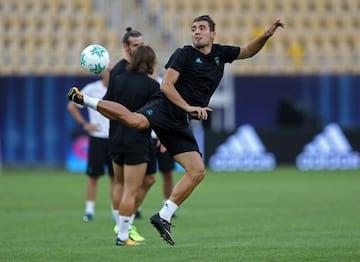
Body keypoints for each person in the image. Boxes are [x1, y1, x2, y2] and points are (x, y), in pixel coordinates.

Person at [67, 15, 285, 245]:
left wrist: (266, 35)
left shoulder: (221, 54)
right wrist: (189, 107)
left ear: (213, 34)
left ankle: (163, 216)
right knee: (135, 122)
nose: (197, 32)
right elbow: (166, 86)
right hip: (165, 107)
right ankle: (85, 99)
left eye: (202, 28)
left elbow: (248, 51)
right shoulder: (183, 54)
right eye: (193, 29)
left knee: (197, 171)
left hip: (180, 120)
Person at [105, 27, 158, 243]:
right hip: (137, 141)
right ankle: (123, 234)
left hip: (116, 138)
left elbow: (105, 105)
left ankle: (121, 228)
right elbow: (158, 116)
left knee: (119, 185)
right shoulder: (152, 86)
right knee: (131, 190)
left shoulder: (117, 79)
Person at [67, 66, 114, 222]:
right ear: (103, 73)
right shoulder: (92, 89)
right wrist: (84, 124)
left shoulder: (119, 90)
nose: (111, 75)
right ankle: (89, 210)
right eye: (108, 72)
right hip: (97, 137)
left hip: (115, 138)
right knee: (93, 176)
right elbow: (72, 105)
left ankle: (117, 211)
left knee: (116, 178)